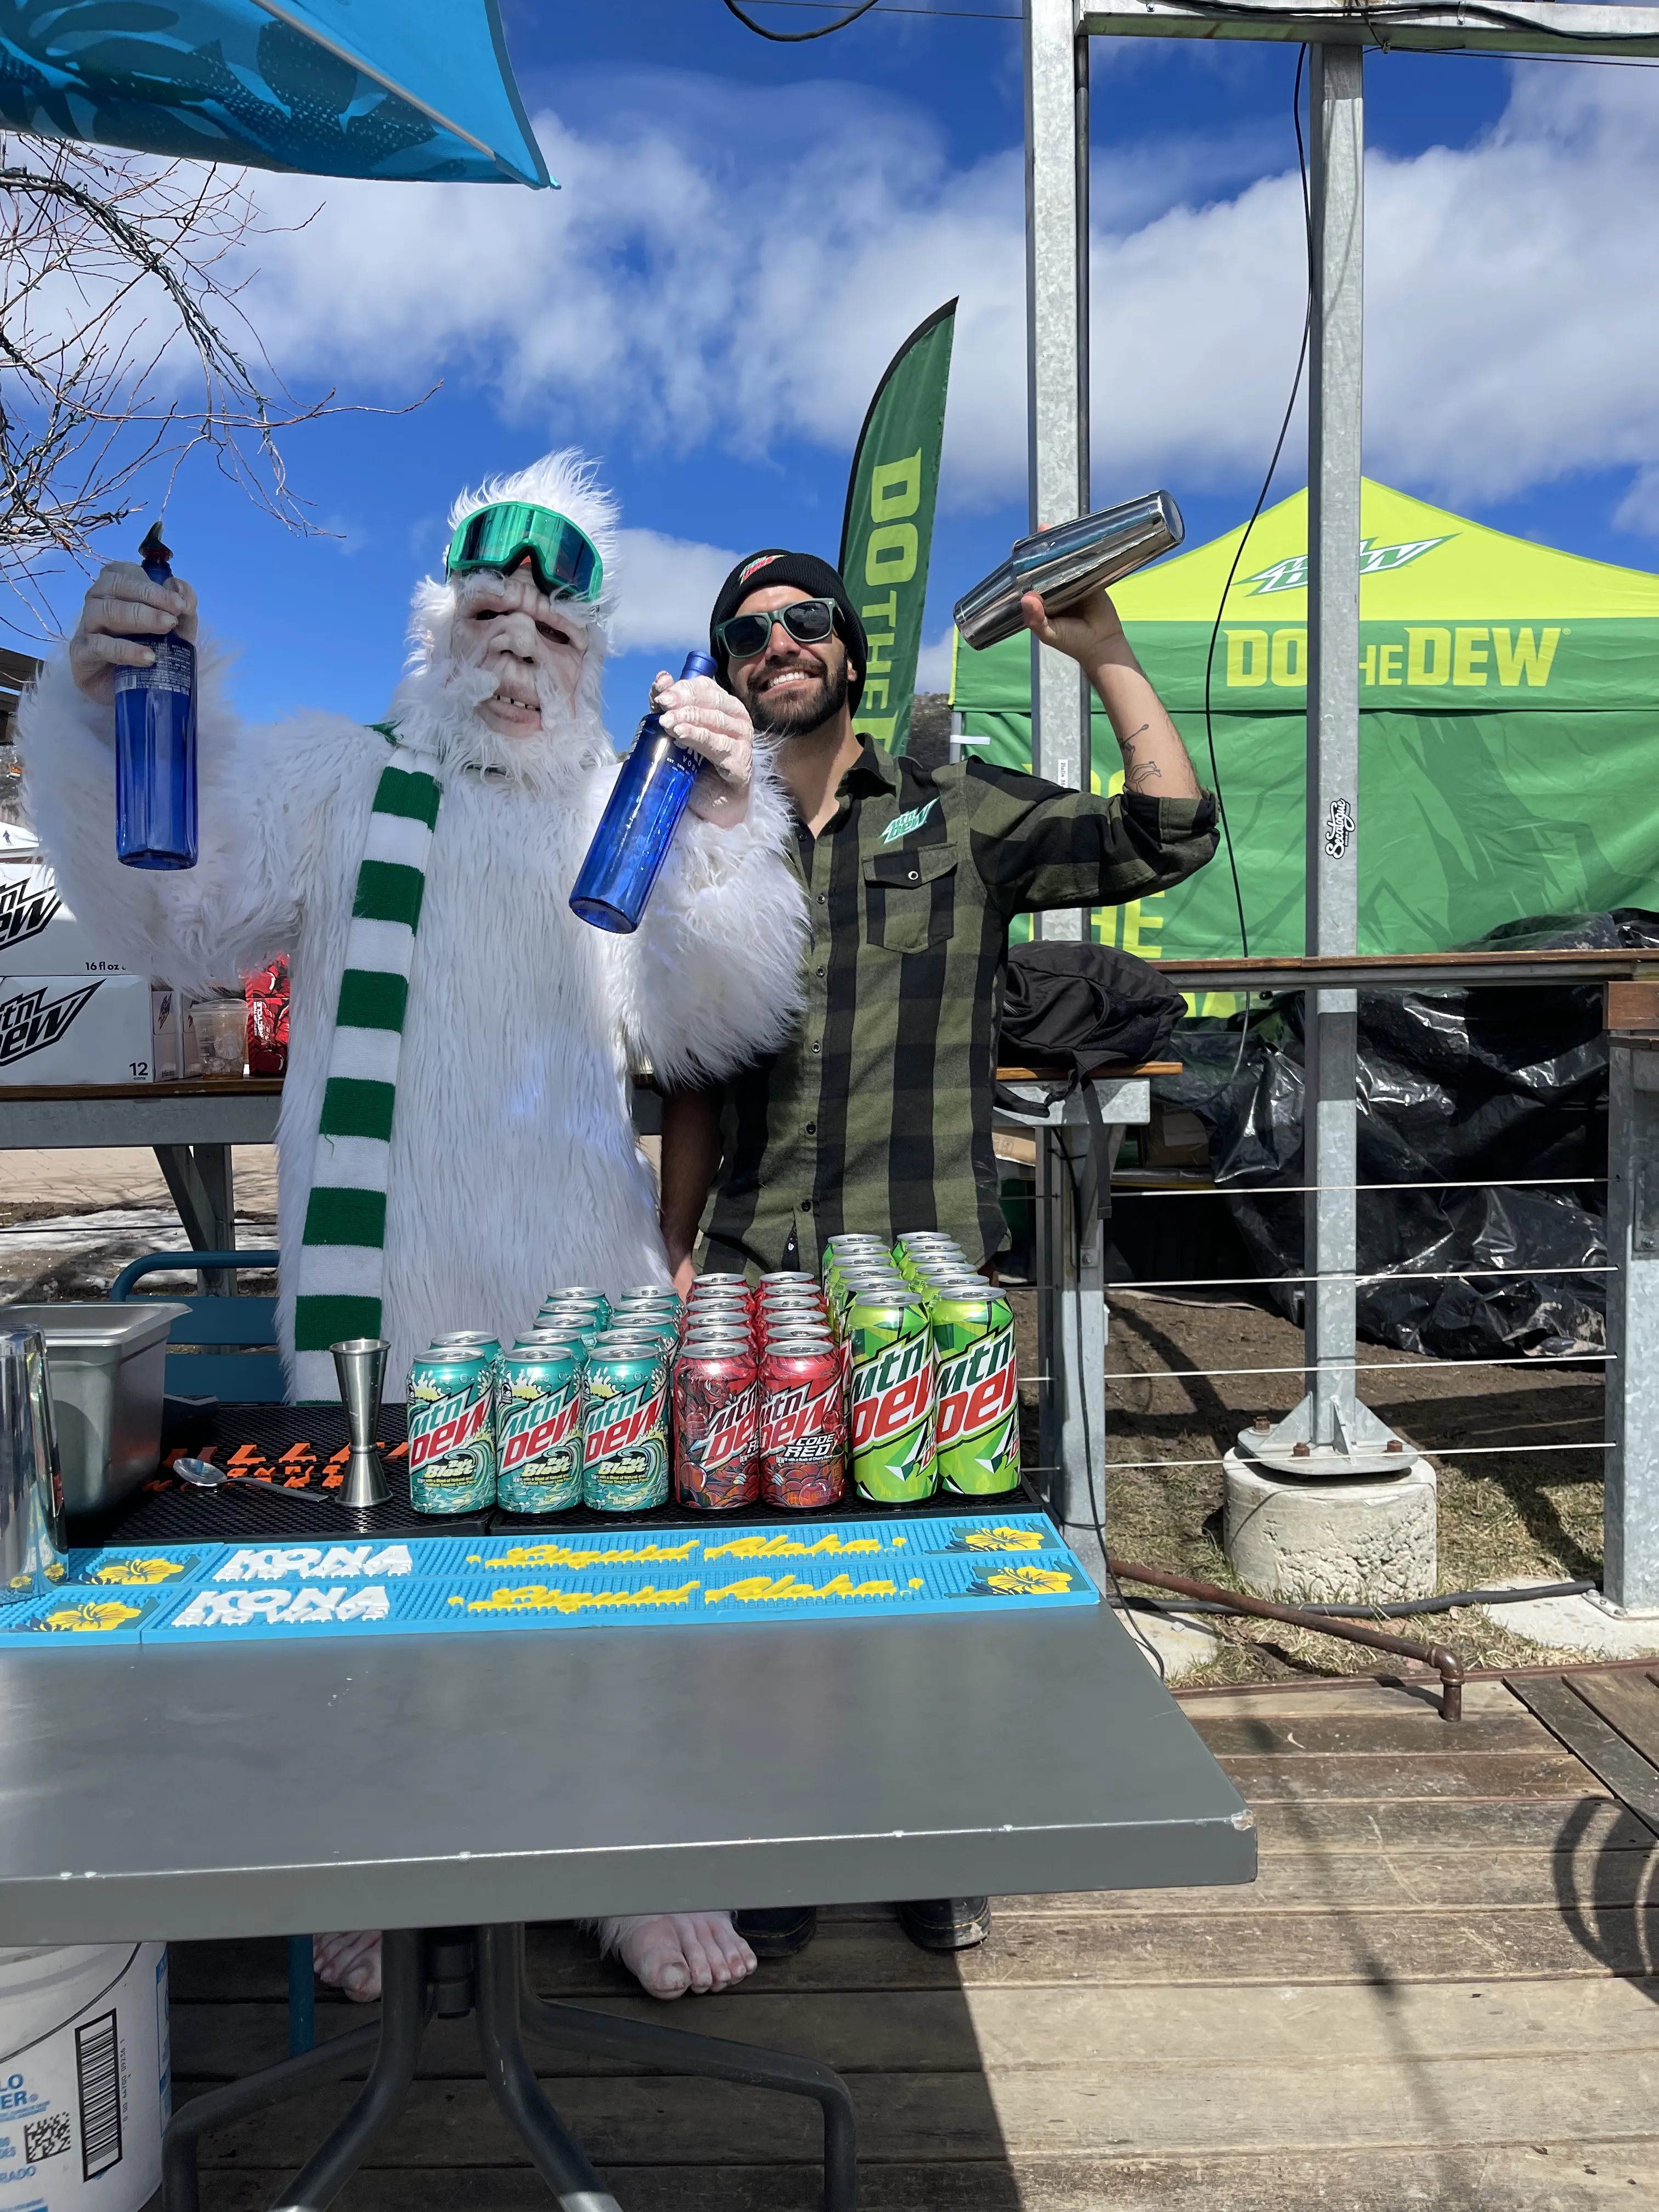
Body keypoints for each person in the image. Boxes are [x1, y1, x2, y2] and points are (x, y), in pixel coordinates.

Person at [19, 452, 807, 2006]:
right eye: (490, 609)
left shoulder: (614, 806)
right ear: (435, 623)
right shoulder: (340, 771)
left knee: (606, 1559)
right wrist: (104, 722)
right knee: (362, 1558)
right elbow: (169, 918)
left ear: (593, 662)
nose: (519, 647)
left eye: (557, 631)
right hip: (380, 1264)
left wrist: (726, 826)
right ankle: (369, 1842)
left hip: (581, 1258)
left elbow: (709, 1019)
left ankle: (631, 1852)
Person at [657, 546, 1218, 1958]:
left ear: (849, 651)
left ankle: (928, 1833)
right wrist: (674, 1247)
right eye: (747, 633)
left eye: (803, 623)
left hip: (927, 1265)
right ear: (728, 670)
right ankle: (786, 1839)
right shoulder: (700, 834)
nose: (776, 643)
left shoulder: (956, 811)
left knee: (929, 1561)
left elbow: (1168, 835)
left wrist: (1104, 655)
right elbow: (684, 1073)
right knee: (765, 1579)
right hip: (756, 1264)